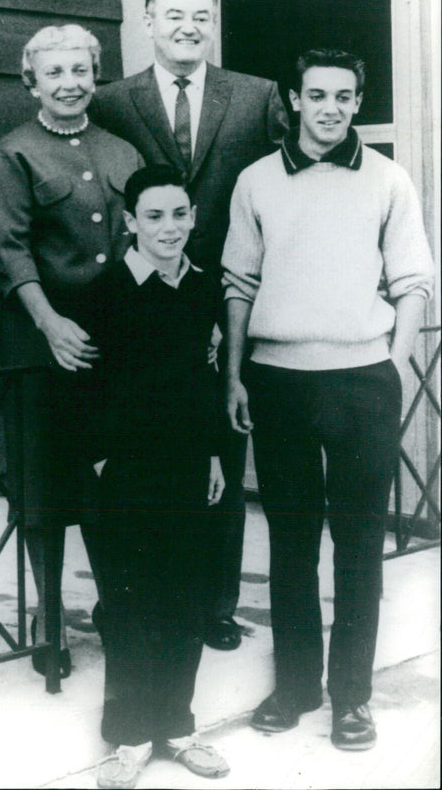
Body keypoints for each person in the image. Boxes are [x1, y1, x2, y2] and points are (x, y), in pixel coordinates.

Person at [223, 49, 434, 750]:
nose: (331, 108)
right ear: (293, 98)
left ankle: (352, 698)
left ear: (357, 101)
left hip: (361, 382)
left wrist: (392, 366)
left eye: (345, 97)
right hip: (278, 382)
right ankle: (294, 686)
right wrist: (233, 374)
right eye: (317, 95)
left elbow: (413, 282)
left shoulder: (387, 179)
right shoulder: (256, 180)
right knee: (289, 541)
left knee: (357, 547)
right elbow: (238, 287)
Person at [91, 0, 289, 652]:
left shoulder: (258, 97)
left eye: (201, 16)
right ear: (147, 20)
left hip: (224, 297)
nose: (188, 27)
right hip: (143, 301)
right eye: (173, 15)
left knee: (220, 458)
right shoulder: (113, 101)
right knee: (137, 458)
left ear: (213, 23)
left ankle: (215, 601)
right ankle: (128, 594)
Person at [0, 24, 142, 676]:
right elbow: (12, 247)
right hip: (41, 341)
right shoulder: (13, 153)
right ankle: (48, 618)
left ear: (95, 74)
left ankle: (117, 605)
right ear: (32, 82)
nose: (70, 83)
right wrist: (50, 322)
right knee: (44, 484)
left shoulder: (121, 150)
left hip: (110, 341)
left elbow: (140, 239)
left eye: (81, 70)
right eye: (55, 73)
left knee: (112, 478)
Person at [90, 166, 230, 789]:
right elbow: (83, 385)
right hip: (123, 467)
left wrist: (214, 457)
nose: (168, 228)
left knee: (184, 596)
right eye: (154, 216)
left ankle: (177, 725)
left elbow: (205, 384)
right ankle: (129, 736)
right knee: (128, 600)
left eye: (179, 214)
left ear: (194, 217)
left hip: (185, 464)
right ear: (129, 222)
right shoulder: (104, 290)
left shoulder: (202, 289)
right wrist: (100, 457)